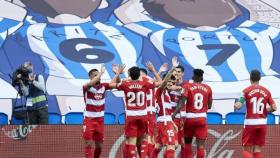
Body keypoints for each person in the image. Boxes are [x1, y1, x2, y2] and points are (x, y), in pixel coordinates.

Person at [112, 62, 161, 158]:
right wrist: (154, 71)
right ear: (139, 75)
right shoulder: (145, 83)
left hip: (130, 116)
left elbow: (112, 84)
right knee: (144, 139)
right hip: (143, 115)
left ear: (129, 75)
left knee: (131, 140)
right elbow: (161, 83)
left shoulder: (125, 83)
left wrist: (118, 73)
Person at [82, 64, 123, 158]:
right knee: (88, 144)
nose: (98, 77)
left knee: (99, 147)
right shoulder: (86, 87)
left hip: (100, 121)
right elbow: (90, 83)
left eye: (98, 75)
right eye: (95, 75)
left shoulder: (103, 86)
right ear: (90, 77)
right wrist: (101, 72)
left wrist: (117, 74)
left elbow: (117, 83)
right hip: (89, 119)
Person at [234, 70, 277, 158]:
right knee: (257, 149)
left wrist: (235, 104)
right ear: (260, 78)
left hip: (250, 123)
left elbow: (238, 106)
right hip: (262, 123)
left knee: (247, 149)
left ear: (250, 78)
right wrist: (265, 109)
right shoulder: (266, 91)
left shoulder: (245, 91)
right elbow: (274, 108)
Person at [174, 69, 212, 158]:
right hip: (202, 118)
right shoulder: (208, 88)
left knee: (187, 143)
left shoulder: (187, 86)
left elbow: (182, 102)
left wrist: (174, 113)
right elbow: (209, 106)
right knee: (201, 146)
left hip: (190, 118)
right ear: (202, 78)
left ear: (193, 76)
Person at [139, 62, 168, 157]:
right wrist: (159, 71)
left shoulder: (143, 81)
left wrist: (159, 71)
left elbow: (156, 82)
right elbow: (156, 81)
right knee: (148, 137)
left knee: (146, 138)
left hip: (146, 112)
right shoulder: (149, 81)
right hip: (148, 112)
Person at [151, 64, 180, 158]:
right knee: (171, 145)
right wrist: (171, 69)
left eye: (172, 82)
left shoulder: (166, 93)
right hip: (164, 122)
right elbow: (163, 83)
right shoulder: (160, 91)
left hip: (165, 121)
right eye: (168, 82)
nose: (170, 84)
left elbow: (166, 111)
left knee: (158, 146)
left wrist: (172, 122)